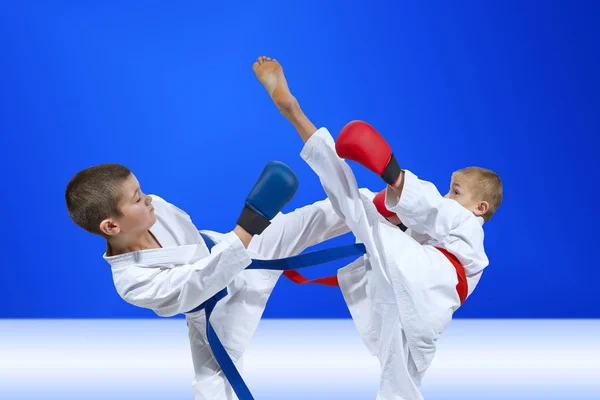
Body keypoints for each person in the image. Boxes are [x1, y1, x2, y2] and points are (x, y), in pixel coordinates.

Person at [253, 55, 503, 399]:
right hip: (415, 308)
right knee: (400, 385)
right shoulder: (446, 233)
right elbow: (425, 218)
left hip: (423, 278)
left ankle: (295, 114)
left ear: (481, 207)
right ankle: (271, 235)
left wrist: (395, 177)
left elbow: (433, 209)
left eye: (456, 191)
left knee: (354, 202)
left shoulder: (468, 225)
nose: (448, 195)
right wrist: (394, 209)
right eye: (449, 189)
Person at [64, 160, 355, 399]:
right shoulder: (131, 281)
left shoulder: (157, 208)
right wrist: (251, 222)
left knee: (311, 219)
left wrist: (245, 234)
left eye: (142, 190)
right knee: (212, 391)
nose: (149, 198)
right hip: (214, 314)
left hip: (233, 248)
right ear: (111, 225)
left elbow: (205, 252)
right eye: (137, 198)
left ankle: (386, 206)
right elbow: (195, 284)